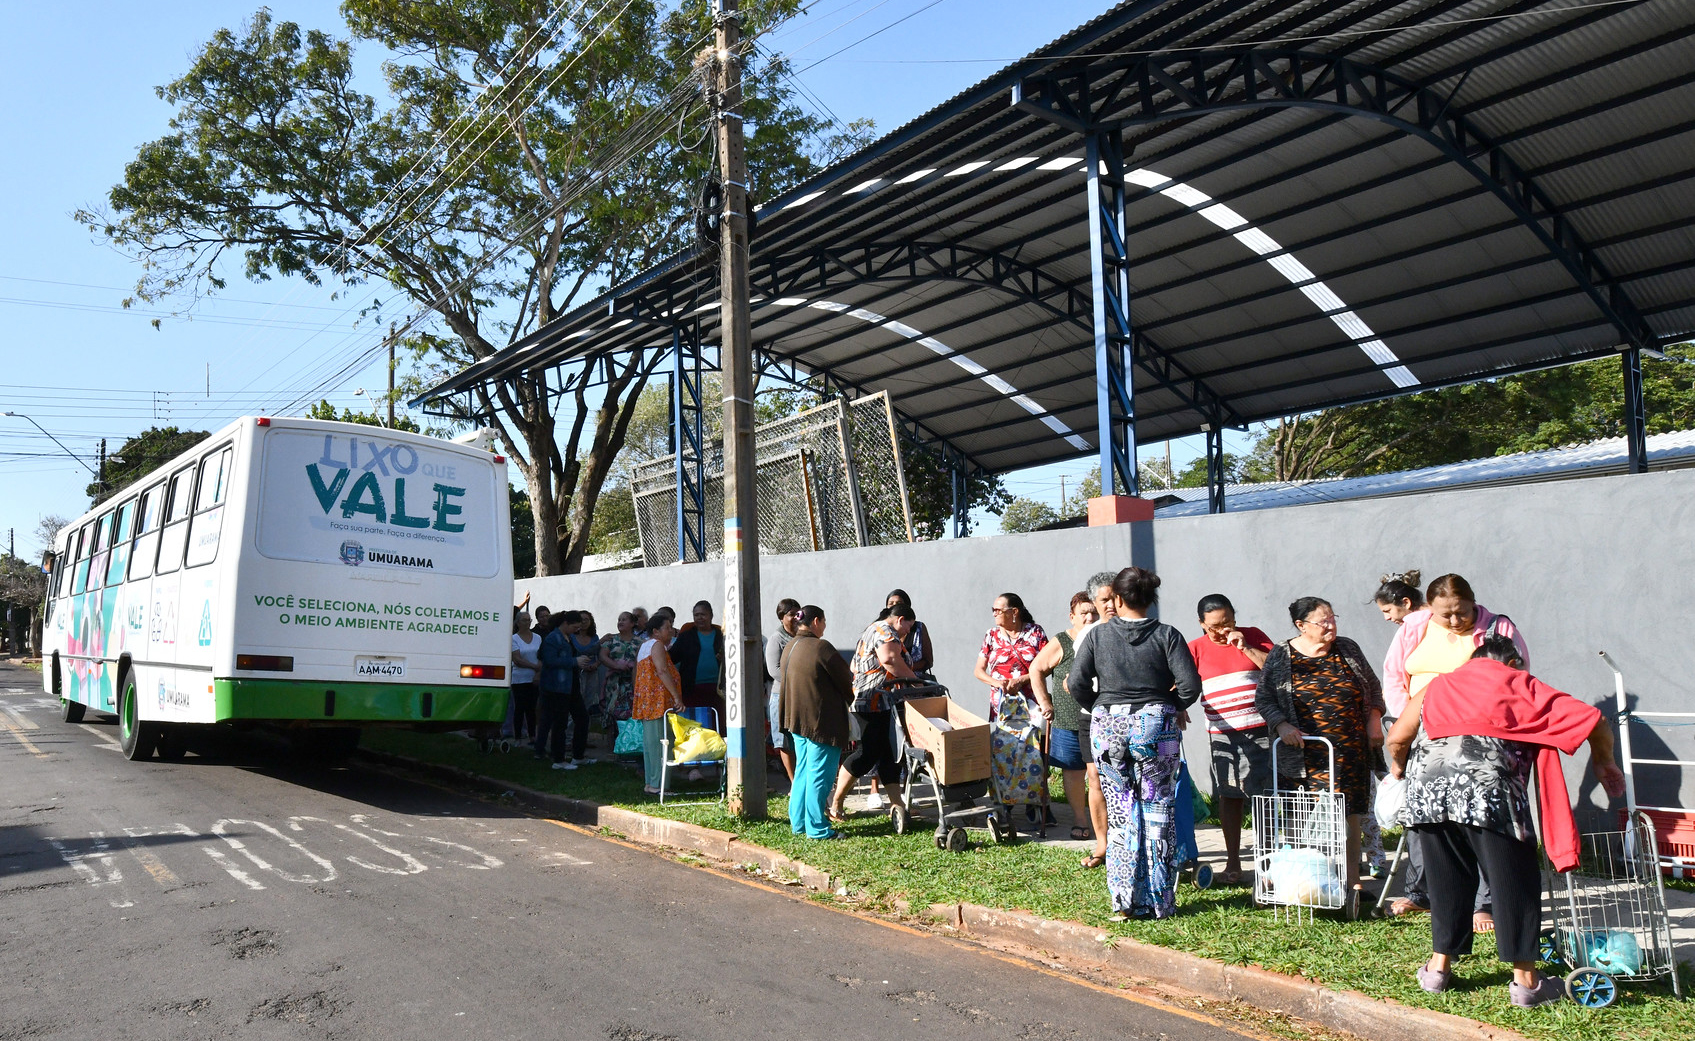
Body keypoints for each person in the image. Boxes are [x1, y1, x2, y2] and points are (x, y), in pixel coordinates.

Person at [1387, 636, 1626, 1006]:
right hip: (1488, 790)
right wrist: (1604, 760)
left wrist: (1400, 768)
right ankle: (1527, 983)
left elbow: (1398, 737)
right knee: (1513, 878)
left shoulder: (1438, 685)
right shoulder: (1518, 682)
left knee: (1447, 875)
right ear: (1512, 662)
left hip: (1428, 789)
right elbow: (1591, 719)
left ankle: (1437, 970)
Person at [1381, 573, 1527, 924]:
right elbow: (1394, 677)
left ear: (1474, 602)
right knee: (1424, 818)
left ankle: (1486, 902)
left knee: (1485, 820)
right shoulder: (1414, 628)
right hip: (1424, 733)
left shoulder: (1498, 629)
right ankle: (1424, 893)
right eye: (1445, 614)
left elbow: (1518, 680)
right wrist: (1407, 723)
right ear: (1429, 608)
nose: (1455, 621)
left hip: (1482, 738)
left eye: (1462, 612)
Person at [1070, 566, 1202, 920]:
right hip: (1155, 726)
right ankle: (1159, 902)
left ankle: (1124, 902)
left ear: (1115, 599)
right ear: (1151, 598)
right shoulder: (1167, 635)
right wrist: (1165, 707)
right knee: (1157, 810)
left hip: (1107, 725)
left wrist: (1100, 708)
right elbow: (1189, 687)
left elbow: (1076, 683)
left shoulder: (1097, 636)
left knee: (1121, 813)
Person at [1254, 597, 1385, 897]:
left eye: (1332, 618)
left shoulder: (1347, 648)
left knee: (1351, 816)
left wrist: (1374, 720)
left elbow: (1373, 687)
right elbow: (1264, 698)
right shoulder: (1281, 654)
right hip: (1305, 753)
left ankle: (1353, 882)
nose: (1331, 625)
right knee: (1306, 820)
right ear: (1301, 625)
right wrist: (1282, 725)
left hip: (1350, 750)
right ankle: (1309, 882)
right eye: (1322, 621)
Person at [1186, 593, 1275, 886]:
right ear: (1202, 624)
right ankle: (1233, 861)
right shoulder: (1195, 648)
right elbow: (1180, 684)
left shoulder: (1253, 636)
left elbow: (1275, 671)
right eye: (1214, 626)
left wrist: (1246, 647)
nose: (1222, 631)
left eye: (1228, 623)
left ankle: (1268, 864)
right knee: (1230, 796)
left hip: (1261, 730)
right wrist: (1176, 708)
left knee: (1264, 799)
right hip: (1222, 735)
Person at [830, 604, 918, 821]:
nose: (908, 632)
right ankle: (837, 803)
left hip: (881, 702)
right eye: (909, 626)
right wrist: (914, 683)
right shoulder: (885, 632)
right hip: (872, 703)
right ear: (900, 619)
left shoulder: (871, 630)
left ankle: (897, 806)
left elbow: (853, 666)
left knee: (890, 754)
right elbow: (889, 660)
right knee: (867, 754)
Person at [779, 605, 855, 839]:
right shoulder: (821, 647)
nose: (825, 626)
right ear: (815, 622)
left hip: (796, 721)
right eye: (823, 621)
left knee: (803, 771)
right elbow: (846, 681)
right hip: (821, 722)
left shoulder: (790, 645)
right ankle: (818, 829)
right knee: (819, 775)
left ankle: (799, 823)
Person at [1030, 591, 1099, 842]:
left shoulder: (1104, 636)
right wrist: (1045, 701)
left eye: (1094, 612)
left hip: (1099, 718)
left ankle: (1101, 820)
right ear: (1072, 617)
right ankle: (1080, 819)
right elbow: (1036, 668)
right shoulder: (1063, 641)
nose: (1090, 617)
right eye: (1084, 613)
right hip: (1068, 720)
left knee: (1097, 773)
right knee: (1073, 771)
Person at [631, 610, 685, 795]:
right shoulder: (657, 646)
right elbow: (662, 671)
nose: (671, 631)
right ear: (655, 631)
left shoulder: (645, 646)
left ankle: (651, 782)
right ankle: (658, 785)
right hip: (658, 702)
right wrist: (677, 696)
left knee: (652, 745)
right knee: (663, 744)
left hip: (649, 702)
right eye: (667, 628)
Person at [535, 611, 591, 770]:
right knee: (559, 722)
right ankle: (558, 759)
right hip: (556, 687)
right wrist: (575, 661)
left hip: (570, 686)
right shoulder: (553, 638)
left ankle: (578, 756)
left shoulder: (569, 638)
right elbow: (550, 660)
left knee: (582, 718)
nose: (577, 630)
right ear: (565, 623)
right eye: (574, 626)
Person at [763, 597, 802, 782]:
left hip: (802, 696)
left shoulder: (804, 636)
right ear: (781, 617)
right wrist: (799, 681)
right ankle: (793, 781)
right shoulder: (776, 639)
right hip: (783, 696)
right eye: (791, 614)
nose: (796, 618)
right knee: (785, 741)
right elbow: (774, 670)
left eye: (798, 613)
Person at [672, 600, 726, 730]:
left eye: (703, 614)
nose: (699, 618)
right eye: (696, 615)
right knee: (695, 725)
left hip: (718, 690)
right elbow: (672, 657)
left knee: (717, 724)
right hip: (692, 689)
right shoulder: (686, 637)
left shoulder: (721, 635)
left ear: (711, 616)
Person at [598, 610, 642, 728]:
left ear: (632, 623)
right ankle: (611, 745)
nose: (620, 622)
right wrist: (616, 665)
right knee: (611, 715)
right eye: (619, 620)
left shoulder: (640, 642)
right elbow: (602, 655)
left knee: (630, 716)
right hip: (614, 683)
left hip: (632, 683)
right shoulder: (611, 639)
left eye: (624, 619)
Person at [886, 589, 935, 681]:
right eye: (891, 603)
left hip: (915, 681)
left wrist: (907, 669)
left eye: (899, 603)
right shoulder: (882, 630)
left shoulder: (918, 628)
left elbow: (928, 661)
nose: (895, 606)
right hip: (888, 682)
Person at [509, 610, 542, 744]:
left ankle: (532, 735)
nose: (527, 623)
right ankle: (517, 736)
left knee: (532, 707)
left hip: (534, 678)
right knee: (520, 707)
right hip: (520, 678)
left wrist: (538, 672)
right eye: (524, 620)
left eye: (529, 620)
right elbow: (517, 659)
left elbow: (541, 656)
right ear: (518, 622)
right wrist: (534, 667)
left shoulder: (538, 638)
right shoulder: (513, 639)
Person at [571, 610, 603, 729]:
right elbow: (581, 652)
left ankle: (584, 735)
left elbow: (600, 654)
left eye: (587, 619)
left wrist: (596, 664)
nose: (584, 622)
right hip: (578, 672)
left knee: (588, 703)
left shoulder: (594, 637)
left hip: (592, 672)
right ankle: (570, 736)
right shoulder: (572, 636)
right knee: (576, 702)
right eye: (581, 619)